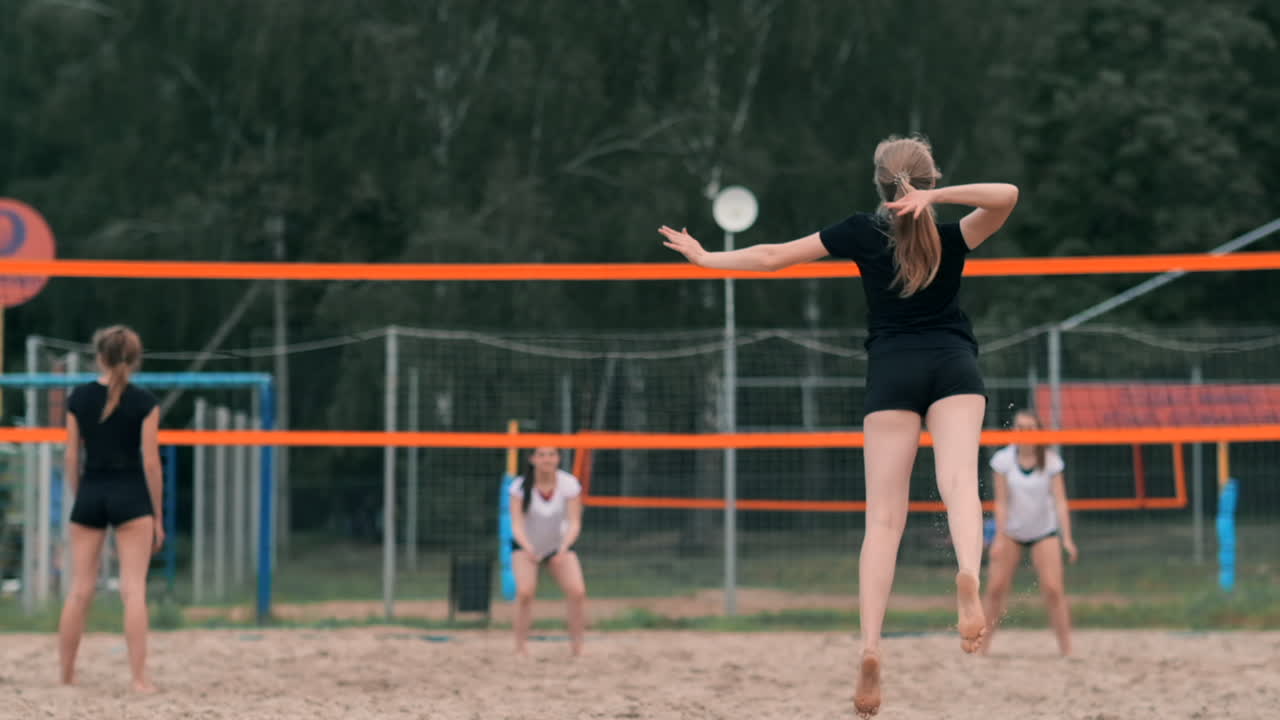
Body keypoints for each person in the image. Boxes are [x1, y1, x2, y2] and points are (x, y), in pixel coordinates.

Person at [660, 135, 1018, 717]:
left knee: (883, 519)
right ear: (927, 183)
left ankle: (872, 645)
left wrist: (707, 259)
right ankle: (968, 575)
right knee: (959, 486)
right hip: (953, 362)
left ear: (878, 184)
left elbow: (772, 255)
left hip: (891, 371)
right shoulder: (954, 236)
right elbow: (1007, 195)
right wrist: (936, 198)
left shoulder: (860, 232)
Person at [58, 326, 163, 693]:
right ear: (134, 359)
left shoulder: (79, 398)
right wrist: (158, 515)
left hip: (92, 491)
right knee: (133, 590)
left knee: (79, 589)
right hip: (132, 495)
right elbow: (151, 463)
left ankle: (67, 676)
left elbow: (72, 455)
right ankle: (138, 679)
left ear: (99, 356)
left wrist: (79, 495)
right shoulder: (145, 402)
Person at [981, 409, 1077, 656]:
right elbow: (1001, 503)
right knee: (995, 588)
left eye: (1029, 428)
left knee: (1054, 589)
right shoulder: (1004, 460)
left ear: (1038, 432)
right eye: (1019, 427)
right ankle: (982, 648)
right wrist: (1000, 538)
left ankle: (1067, 650)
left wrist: (1067, 539)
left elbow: (1060, 502)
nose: (1024, 433)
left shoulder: (1051, 461)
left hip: (1044, 531)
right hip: (1011, 531)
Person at [509, 446, 587, 657]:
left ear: (558, 458)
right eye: (542, 455)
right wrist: (528, 549)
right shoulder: (519, 487)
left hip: (558, 545)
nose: (547, 459)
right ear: (533, 459)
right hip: (526, 545)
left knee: (577, 591)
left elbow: (574, 523)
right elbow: (516, 525)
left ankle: (577, 647)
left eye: (551, 454)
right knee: (525, 592)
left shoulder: (569, 484)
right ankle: (520, 647)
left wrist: (563, 549)